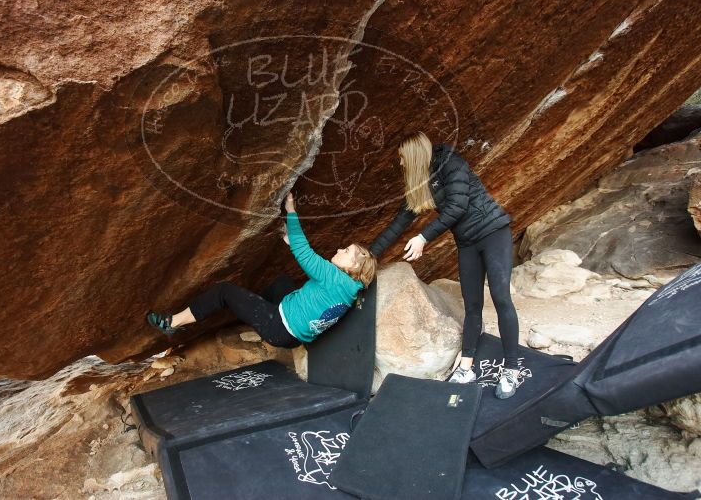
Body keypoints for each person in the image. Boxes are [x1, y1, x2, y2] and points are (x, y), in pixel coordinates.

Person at [369, 131, 521, 399]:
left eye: (402, 159)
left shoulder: (452, 163)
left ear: (414, 156)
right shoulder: (420, 182)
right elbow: (399, 222)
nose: (400, 164)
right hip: (467, 244)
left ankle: (511, 369)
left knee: (500, 298)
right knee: (472, 305)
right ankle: (467, 367)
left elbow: (458, 206)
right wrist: (369, 256)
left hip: (493, 233)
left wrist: (423, 237)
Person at [146, 192, 377, 348]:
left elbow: (304, 253)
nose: (340, 249)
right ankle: (252, 309)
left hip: (278, 327)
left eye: (346, 251)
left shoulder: (333, 276)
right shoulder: (350, 289)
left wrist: (291, 209)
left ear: (354, 266)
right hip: (295, 338)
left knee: (224, 291)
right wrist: (291, 240)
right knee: (282, 283)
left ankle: (172, 323)